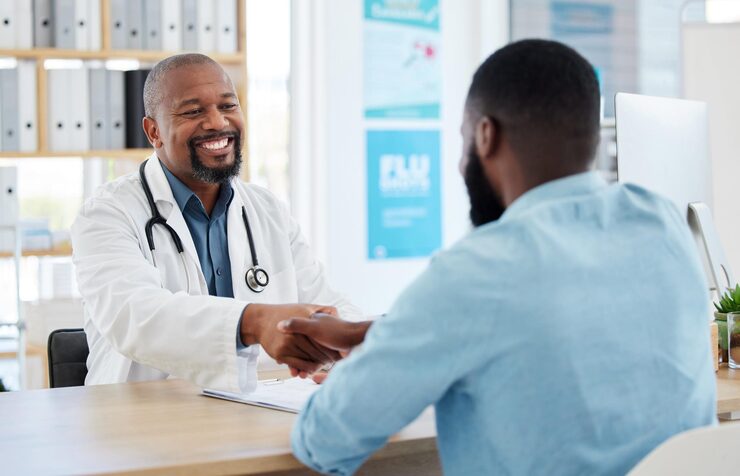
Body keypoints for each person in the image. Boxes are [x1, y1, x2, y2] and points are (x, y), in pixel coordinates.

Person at [281, 39, 717, 475]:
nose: (460, 165)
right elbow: (575, 320)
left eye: (463, 140)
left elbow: (325, 440)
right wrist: (384, 334)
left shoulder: (478, 269)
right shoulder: (661, 221)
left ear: (485, 135)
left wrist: (368, 366)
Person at [71, 53, 361, 393]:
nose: (217, 122)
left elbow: (326, 303)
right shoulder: (106, 214)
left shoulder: (267, 209)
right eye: (193, 111)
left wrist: (355, 354)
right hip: (139, 413)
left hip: (256, 406)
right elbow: (136, 316)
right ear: (154, 131)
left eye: (228, 106)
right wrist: (253, 321)